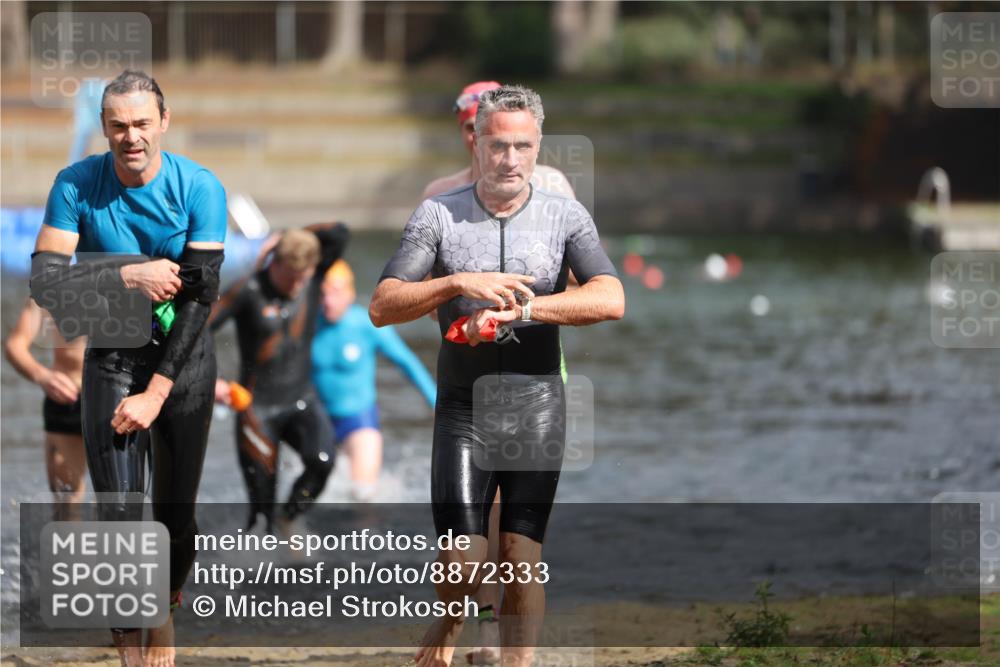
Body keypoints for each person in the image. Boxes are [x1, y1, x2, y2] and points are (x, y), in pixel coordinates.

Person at [370, 85, 625, 667]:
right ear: (476, 143)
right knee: (460, 565)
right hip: (464, 406)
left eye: (522, 146)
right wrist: (460, 283)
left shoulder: (564, 214)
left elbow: (611, 298)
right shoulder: (439, 212)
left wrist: (529, 308)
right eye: (497, 145)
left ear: (538, 148)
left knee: (518, 555)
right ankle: (452, 614)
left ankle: (518, 663)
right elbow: (383, 305)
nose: (509, 159)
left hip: (537, 400)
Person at [30, 70, 227, 667]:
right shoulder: (75, 185)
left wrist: (159, 392)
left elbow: (200, 296)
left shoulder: (199, 187)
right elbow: (44, 280)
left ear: (162, 122)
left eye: (142, 123)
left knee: (175, 517)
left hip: (184, 363)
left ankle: (164, 605)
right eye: (118, 125)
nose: (131, 137)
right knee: (118, 512)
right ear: (105, 128)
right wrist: (127, 273)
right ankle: (133, 656)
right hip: (112, 354)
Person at [423, 80, 579, 664]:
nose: (477, 139)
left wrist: (518, 305)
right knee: (469, 530)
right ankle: (462, 624)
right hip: (465, 376)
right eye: (469, 129)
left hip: (534, 376)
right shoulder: (439, 197)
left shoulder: (553, 190)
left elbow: (581, 284)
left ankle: (503, 646)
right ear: (468, 134)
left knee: (512, 533)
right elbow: (418, 293)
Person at [210, 223, 349, 533]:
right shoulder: (248, 290)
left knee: (322, 461)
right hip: (256, 411)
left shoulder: (315, 278)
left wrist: (286, 237)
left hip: (302, 400)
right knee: (261, 512)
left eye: (303, 278)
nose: (297, 285)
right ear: (276, 263)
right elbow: (198, 330)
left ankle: (289, 520)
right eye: (290, 277)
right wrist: (216, 381)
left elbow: (340, 232)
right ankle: (259, 553)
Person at [311, 259, 436, 501]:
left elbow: (407, 363)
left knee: (363, 496)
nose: (328, 302)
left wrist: (436, 401)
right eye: (323, 294)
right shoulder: (308, 325)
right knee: (318, 497)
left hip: (359, 422)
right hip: (319, 422)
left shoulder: (365, 324)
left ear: (349, 293)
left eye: (335, 294)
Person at [4, 299, 87, 516]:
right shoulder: (52, 285)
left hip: (122, 403)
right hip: (68, 399)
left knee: (123, 499)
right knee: (65, 500)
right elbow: (15, 344)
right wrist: (42, 376)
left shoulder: (135, 274)